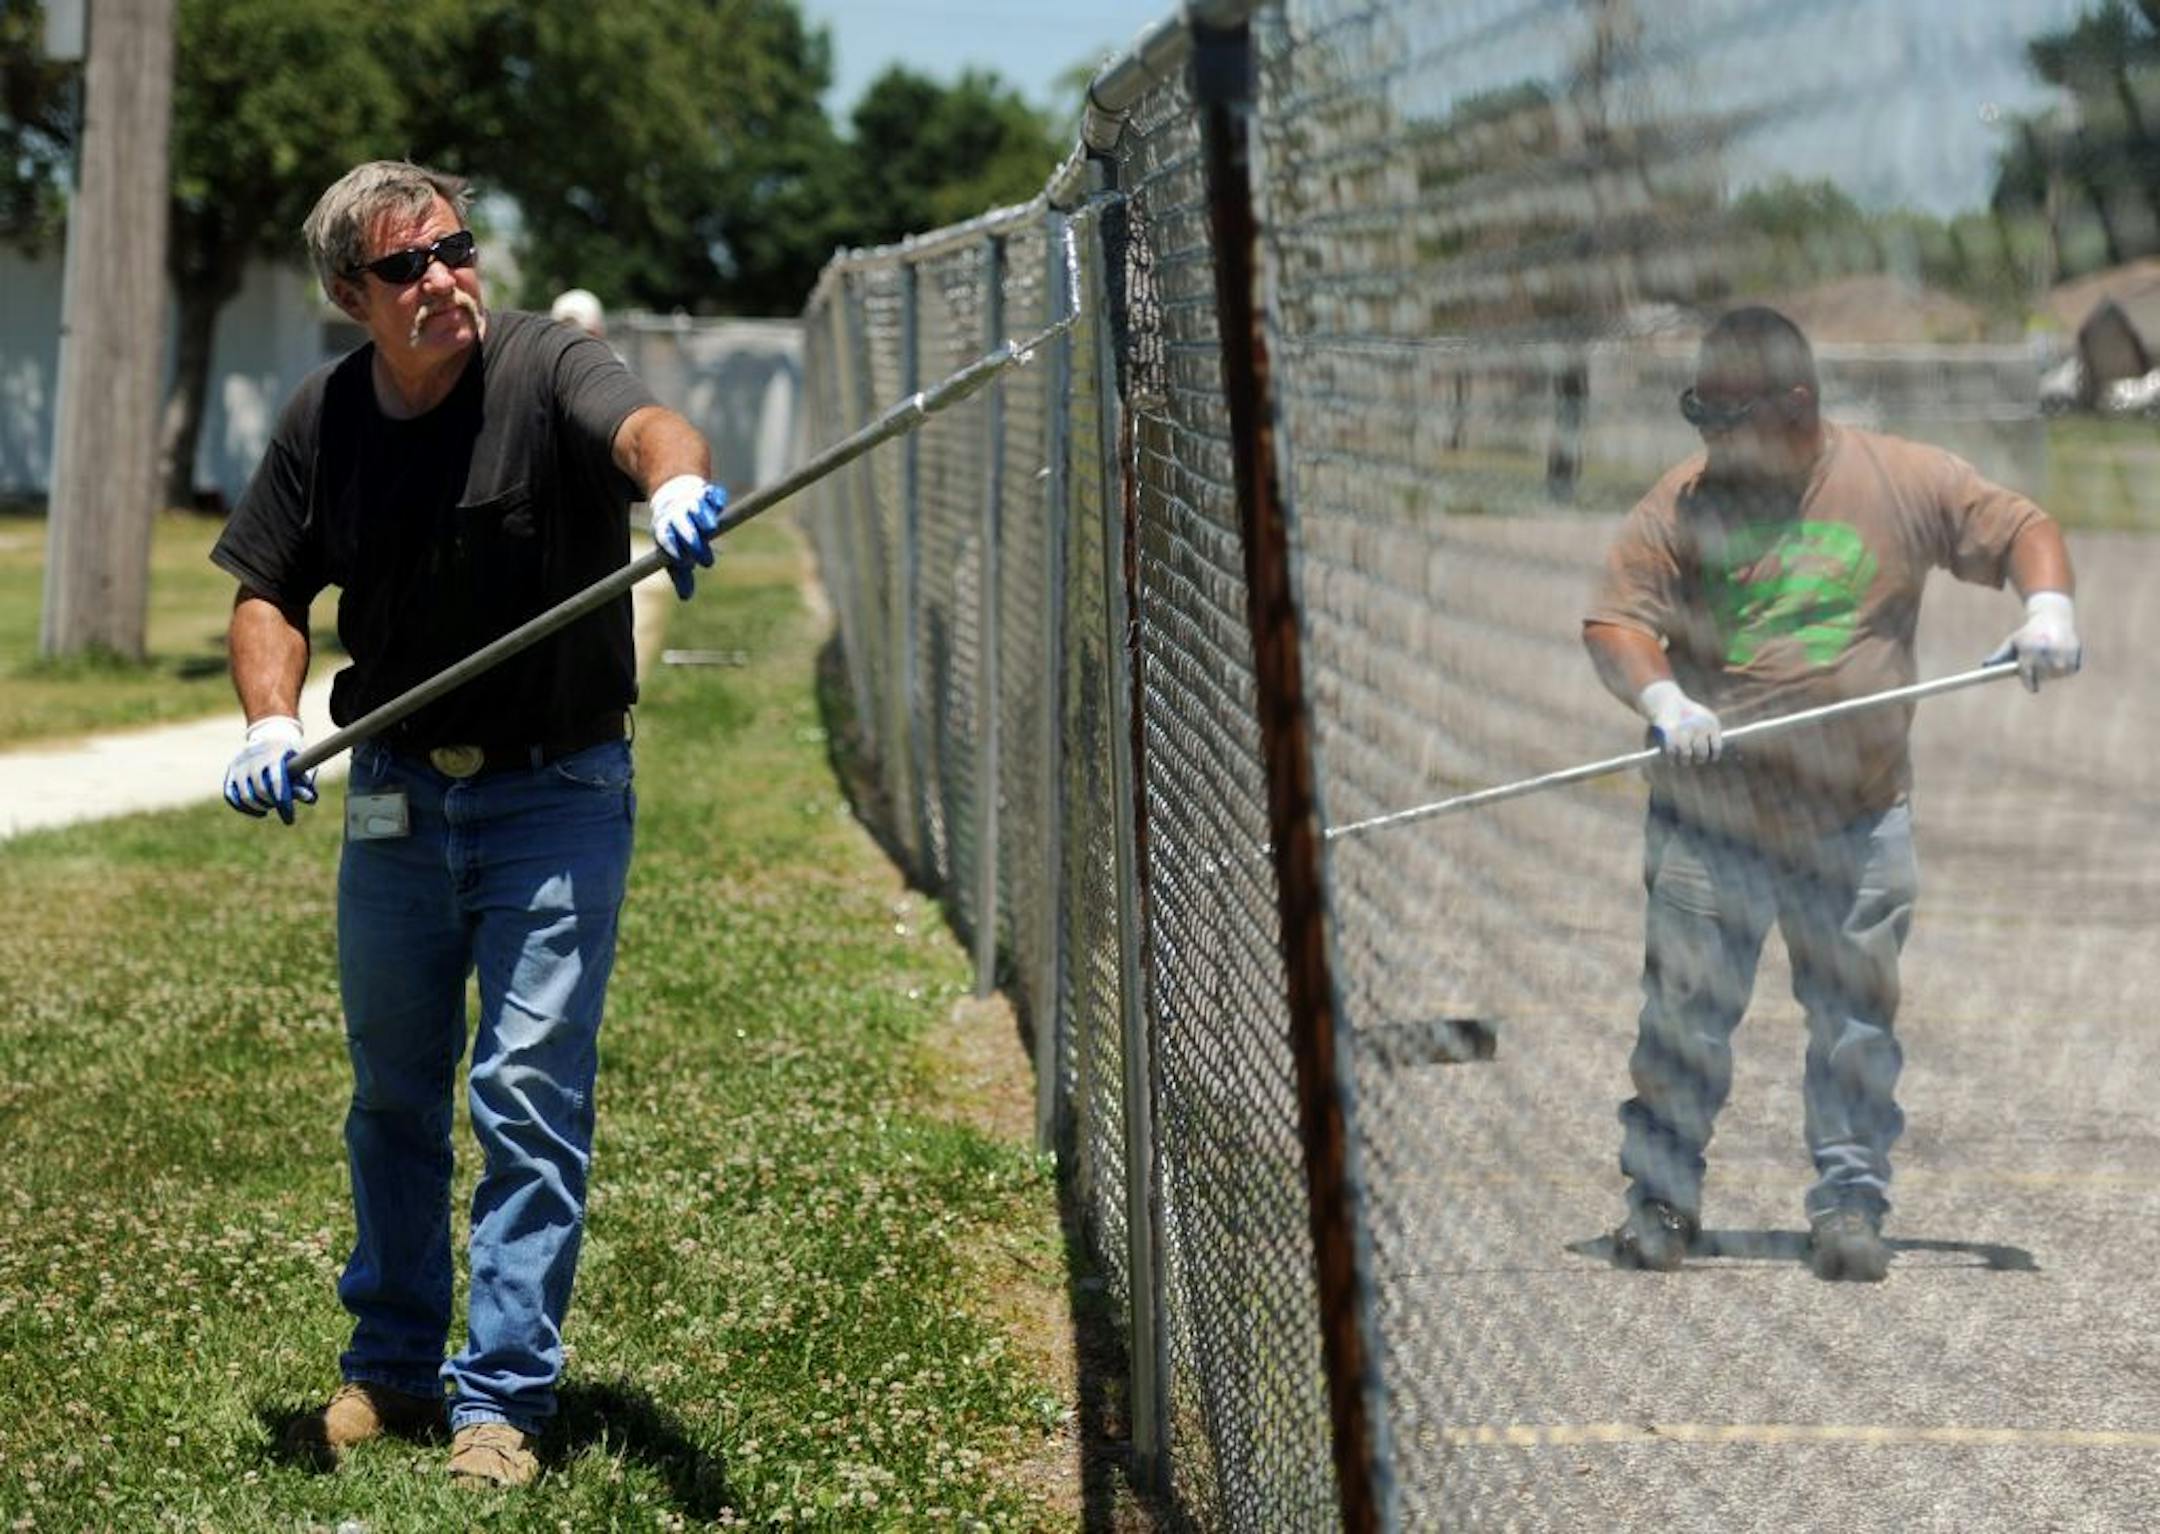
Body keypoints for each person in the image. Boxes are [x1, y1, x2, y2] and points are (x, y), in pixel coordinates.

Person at [211, 159, 728, 1486]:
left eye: (452, 250)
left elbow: (647, 427)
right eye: (405, 267)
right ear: (349, 296)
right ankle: (390, 1363)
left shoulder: (546, 365)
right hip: (392, 791)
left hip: (557, 792)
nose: (441, 280)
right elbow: (266, 587)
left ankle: (500, 1398)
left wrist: (672, 488)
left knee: (526, 1095)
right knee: (392, 1095)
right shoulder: (327, 417)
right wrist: (272, 720)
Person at [1583, 306, 2081, 1283]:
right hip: (1712, 816)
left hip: (1857, 814)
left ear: (1800, 406)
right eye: (1703, 419)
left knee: (1856, 1019)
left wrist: (2048, 607)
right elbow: (1615, 619)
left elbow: (2025, 528)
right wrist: (1663, 694)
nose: (1715, 442)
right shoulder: (1682, 504)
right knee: (1684, 1014)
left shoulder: (1899, 479)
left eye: (1732, 420)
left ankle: (1851, 1201)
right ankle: (1661, 1195)